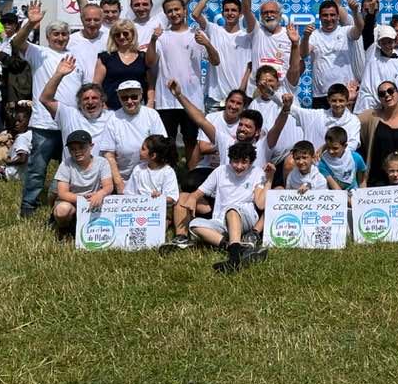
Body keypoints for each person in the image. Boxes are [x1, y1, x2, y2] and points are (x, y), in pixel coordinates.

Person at [11, 1, 84, 218]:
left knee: (71, 169)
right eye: (56, 34)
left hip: (70, 124)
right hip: (44, 123)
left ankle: (63, 204)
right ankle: (28, 207)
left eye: (64, 34)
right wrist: (30, 24)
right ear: (48, 36)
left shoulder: (76, 58)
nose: (60, 38)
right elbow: (17, 42)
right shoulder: (38, 52)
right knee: (37, 169)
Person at [145, 0, 220, 163]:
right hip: (166, 101)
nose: (174, 13)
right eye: (169, 11)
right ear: (165, 14)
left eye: (177, 9)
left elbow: (216, 61)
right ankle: (169, 175)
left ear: (184, 10)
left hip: (192, 99)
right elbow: (149, 62)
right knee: (166, 143)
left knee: (191, 141)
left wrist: (207, 44)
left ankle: (191, 176)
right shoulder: (161, 36)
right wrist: (153, 40)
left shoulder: (197, 34)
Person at [183, 141, 269, 274]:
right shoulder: (220, 171)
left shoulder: (257, 172)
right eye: (235, 161)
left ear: (251, 162)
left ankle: (234, 260)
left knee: (232, 209)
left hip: (245, 216)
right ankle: (236, 248)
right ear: (230, 160)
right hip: (220, 220)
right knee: (194, 225)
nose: (239, 166)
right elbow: (199, 192)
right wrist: (192, 198)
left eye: (244, 162)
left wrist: (270, 178)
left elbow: (261, 204)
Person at [300, 0, 364, 109]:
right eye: (325, 15)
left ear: (337, 16)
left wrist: (355, 11)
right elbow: (303, 54)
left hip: (346, 93)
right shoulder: (314, 35)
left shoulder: (345, 31)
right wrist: (306, 37)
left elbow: (359, 29)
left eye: (332, 15)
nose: (329, 19)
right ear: (319, 17)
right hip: (321, 95)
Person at [39, 56, 114, 172]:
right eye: (86, 99)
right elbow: (45, 99)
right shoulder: (69, 115)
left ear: (102, 101)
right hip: (71, 176)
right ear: (79, 103)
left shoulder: (112, 117)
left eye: (94, 98)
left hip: (102, 177)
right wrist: (59, 74)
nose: (90, 102)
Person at [191, 0, 252, 109]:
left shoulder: (246, 37)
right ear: (222, 13)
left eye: (234, 10)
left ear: (240, 14)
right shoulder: (214, 30)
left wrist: (241, 91)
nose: (230, 13)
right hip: (215, 98)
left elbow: (249, 67)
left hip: (239, 98)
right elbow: (195, 14)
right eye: (227, 10)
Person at [97, 80, 167, 192]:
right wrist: (118, 182)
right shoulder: (113, 119)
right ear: (119, 98)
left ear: (141, 96)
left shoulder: (152, 115)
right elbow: (108, 155)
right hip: (123, 178)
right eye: (124, 98)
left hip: (150, 176)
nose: (130, 101)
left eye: (134, 97)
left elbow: (162, 147)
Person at [51, 130, 113, 237]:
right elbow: (62, 193)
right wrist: (82, 199)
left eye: (81, 147)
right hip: (72, 200)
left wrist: (100, 193)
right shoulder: (66, 164)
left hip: (94, 200)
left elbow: (108, 186)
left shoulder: (102, 162)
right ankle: (63, 229)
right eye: (72, 149)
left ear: (91, 146)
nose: (77, 151)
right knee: (62, 210)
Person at [241, 0, 294, 83]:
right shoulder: (256, 30)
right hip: (257, 88)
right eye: (265, 13)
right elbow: (246, 10)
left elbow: (297, 63)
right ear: (261, 16)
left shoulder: (290, 34)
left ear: (280, 15)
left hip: (281, 89)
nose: (269, 15)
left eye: (273, 12)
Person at [94, 19, 150, 110]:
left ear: (133, 34)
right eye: (117, 34)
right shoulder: (106, 57)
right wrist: (103, 104)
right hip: (112, 109)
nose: (122, 37)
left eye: (125, 33)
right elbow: (96, 85)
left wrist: (150, 103)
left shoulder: (143, 57)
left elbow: (151, 84)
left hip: (139, 109)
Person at [290, 82, 360, 153]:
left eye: (341, 101)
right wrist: (287, 102)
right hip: (315, 158)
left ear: (347, 101)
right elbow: (296, 111)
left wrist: (327, 150)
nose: (337, 104)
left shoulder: (353, 120)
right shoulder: (317, 115)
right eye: (334, 101)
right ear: (328, 100)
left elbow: (352, 145)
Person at [354, 25, 398, 113]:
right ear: (379, 43)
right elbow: (368, 30)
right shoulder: (372, 53)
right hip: (366, 106)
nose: (387, 45)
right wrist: (371, 16)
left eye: (390, 42)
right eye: (383, 43)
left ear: (395, 41)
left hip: (387, 109)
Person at [122, 135, 180, 219]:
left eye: (143, 149)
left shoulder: (167, 172)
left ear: (153, 155)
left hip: (157, 213)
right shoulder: (138, 169)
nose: (140, 150)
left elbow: (172, 197)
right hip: (137, 211)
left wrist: (160, 197)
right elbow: (129, 192)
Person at [318, 126, 367, 192]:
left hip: (355, 193)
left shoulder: (356, 158)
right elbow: (335, 187)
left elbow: (362, 181)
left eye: (335, 148)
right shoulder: (323, 163)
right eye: (328, 147)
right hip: (337, 195)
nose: (331, 151)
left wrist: (362, 195)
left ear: (345, 146)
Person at [0, 105, 32, 182]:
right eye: (15, 121)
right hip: (28, 173)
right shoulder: (31, 134)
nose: (16, 123)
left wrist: (9, 162)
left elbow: (23, 159)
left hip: (14, 173)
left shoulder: (22, 138)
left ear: (28, 122)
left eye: (20, 121)